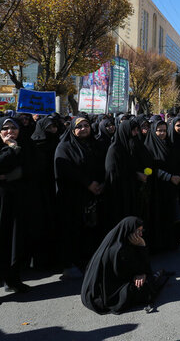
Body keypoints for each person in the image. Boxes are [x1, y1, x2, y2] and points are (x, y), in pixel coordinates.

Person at [81, 217, 168, 314]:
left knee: (146, 281)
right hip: (108, 294)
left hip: (98, 291)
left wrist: (141, 272)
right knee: (146, 286)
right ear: (128, 231)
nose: (141, 234)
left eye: (141, 230)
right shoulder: (120, 251)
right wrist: (142, 247)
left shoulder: (118, 243)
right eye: (138, 231)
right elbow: (135, 272)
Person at [55, 117, 106, 280]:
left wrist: (101, 183)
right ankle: (72, 264)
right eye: (79, 127)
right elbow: (66, 170)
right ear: (72, 130)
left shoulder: (95, 144)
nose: (84, 129)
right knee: (73, 230)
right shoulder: (65, 147)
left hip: (95, 194)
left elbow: (102, 165)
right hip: (73, 197)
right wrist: (87, 183)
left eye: (86, 126)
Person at [144, 120, 180, 252]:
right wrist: (168, 177)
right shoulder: (148, 147)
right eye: (159, 130)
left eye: (164, 130)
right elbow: (148, 169)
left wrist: (178, 174)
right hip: (157, 188)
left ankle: (171, 242)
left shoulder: (169, 145)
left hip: (172, 187)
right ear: (153, 131)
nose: (162, 133)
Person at [27, 117, 60, 270]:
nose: (53, 130)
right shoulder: (34, 145)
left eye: (54, 127)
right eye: (49, 128)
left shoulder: (57, 143)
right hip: (38, 192)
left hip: (53, 190)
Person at [0, 117, 29, 293]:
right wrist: (11, 148)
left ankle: (13, 279)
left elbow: (31, 167)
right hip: (2, 201)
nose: (10, 132)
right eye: (5, 128)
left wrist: (9, 176)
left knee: (16, 239)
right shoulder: (11, 147)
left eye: (14, 128)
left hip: (19, 199)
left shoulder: (26, 145)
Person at [105, 119, 150, 224]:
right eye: (133, 130)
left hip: (133, 191)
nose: (135, 133)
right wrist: (135, 175)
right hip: (120, 193)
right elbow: (113, 173)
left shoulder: (132, 146)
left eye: (136, 130)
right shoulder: (114, 150)